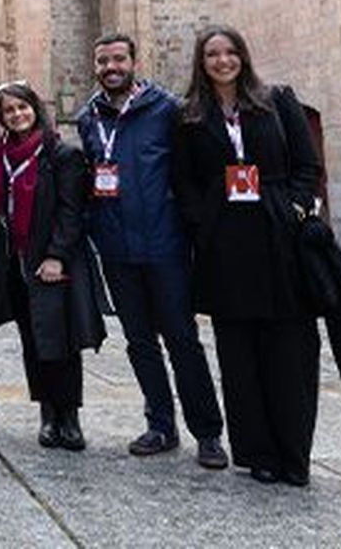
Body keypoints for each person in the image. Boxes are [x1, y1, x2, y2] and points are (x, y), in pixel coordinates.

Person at [172, 25, 323, 487]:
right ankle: (257, 453)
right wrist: (206, 223)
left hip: (279, 238)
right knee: (238, 354)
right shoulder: (191, 116)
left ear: (243, 57)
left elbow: (307, 164)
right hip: (226, 246)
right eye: (213, 54)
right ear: (202, 62)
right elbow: (184, 182)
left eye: (230, 52)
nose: (222, 61)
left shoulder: (276, 101)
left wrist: (295, 208)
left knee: (291, 349)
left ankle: (293, 454)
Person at [75, 32, 228, 469]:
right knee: (140, 342)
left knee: (182, 340)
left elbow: (192, 173)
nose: (111, 67)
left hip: (165, 244)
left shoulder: (168, 111)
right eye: (103, 61)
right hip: (117, 247)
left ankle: (208, 433)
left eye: (118, 59)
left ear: (134, 61)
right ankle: (160, 423)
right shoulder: (89, 117)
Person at [0, 81, 106, 451]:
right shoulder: (1, 155)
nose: (17, 115)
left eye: (22, 108)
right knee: (32, 340)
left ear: (35, 108)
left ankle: (71, 417)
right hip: (14, 261)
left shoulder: (60, 154)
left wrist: (57, 256)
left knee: (61, 340)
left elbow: (71, 211)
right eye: (9, 110)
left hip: (49, 260)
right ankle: (48, 415)